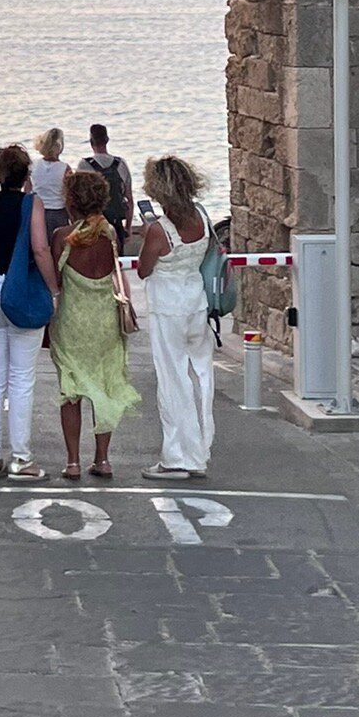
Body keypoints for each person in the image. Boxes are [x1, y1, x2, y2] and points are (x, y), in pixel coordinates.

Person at [0, 142, 59, 481]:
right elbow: (39, 249)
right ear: (27, 175)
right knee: (22, 379)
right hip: (20, 291)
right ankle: (21, 458)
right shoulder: (31, 204)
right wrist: (54, 289)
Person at [50, 168, 140, 480]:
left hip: (72, 322)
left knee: (70, 392)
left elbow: (56, 280)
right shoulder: (110, 235)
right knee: (105, 387)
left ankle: (73, 461)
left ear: (71, 202)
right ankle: (102, 459)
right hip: (105, 322)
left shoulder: (62, 237)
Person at [136, 154, 215, 482]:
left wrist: (146, 232)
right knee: (199, 378)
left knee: (172, 381)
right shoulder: (201, 217)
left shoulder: (159, 230)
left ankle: (176, 457)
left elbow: (143, 269)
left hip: (168, 308)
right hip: (196, 303)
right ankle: (199, 452)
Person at [77, 124, 134, 244]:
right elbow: (129, 199)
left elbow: (78, 199)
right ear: (107, 140)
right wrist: (128, 227)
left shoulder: (84, 166)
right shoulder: (121, 164)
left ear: (91, 141)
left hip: (93, 223)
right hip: (116, 221)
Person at [31, 127, 70, 242]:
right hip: (58, 212)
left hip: (38, 211)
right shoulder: (64, 168)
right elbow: (67, 196)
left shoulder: (33, 165)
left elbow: (27, 191)